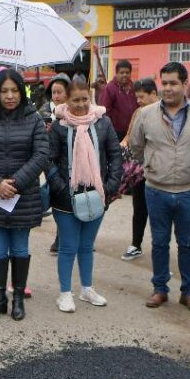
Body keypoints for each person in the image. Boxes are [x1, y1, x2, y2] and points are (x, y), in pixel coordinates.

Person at [128, 61, 190, 313]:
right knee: (159, 242)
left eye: (173, 83)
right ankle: (160, 289)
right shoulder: (146, 114)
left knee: (187, 244)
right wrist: (152, 164)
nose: (168, 88)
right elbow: (136, 147)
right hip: (155, 190)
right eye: (164, 83)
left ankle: (189, 292)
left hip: (188, 191)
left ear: (184, 84)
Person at [0, 67, 49, 321]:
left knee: (20, 249)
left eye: (14, 90)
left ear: (22, 91)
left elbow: (41, 155)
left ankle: (17, 300)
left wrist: (13, 183)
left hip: (22, 196)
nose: (10, 96)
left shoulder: (34, 118)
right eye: (4, 91)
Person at [47, 76, 122, 312]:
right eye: (75, 100)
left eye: (84, 99)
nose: (80, 105)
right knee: (68, 246)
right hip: (65, 198)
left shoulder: (103, 122)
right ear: (66, 100)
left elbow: (115, 155)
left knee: (87, 246)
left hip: (97, 194)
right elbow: (48, 161)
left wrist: (109, 186)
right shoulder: (58, 127)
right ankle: (65, 293)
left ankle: (87, 289)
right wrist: (59, 186)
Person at [120, 77, 157, 261]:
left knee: (159, 211)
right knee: (139, 206)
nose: (139, 101)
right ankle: (136, 244)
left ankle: (160, 249)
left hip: (160, 170)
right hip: (139, 169)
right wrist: (124, 143)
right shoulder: (138, 113)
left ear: (154, 95)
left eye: (142, 97)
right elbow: (129, 135)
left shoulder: (165, 113)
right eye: (137, 97)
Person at [41, 72, 71, 255]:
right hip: (51, 162)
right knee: (58, 197)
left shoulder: (76, 110)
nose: (57, 96)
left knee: (72, 199)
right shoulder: (45, 111)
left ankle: (68, 237)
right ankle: (60, 237)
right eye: (54, 92)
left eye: (60, 92)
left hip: (71, 161)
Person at [98, 59, 137, 144]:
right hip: (115, 132)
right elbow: (105, 110)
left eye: (127, 72)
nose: (125, 75)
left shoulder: (134, 88)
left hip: (132, 131)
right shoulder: (109, 89)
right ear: (116, 73)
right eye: (122, 72)